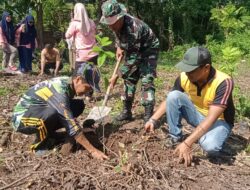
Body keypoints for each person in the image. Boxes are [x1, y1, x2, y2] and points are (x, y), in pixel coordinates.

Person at [144, 47, 235, 166]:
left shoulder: (223, 82)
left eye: (191, 70)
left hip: (219, 121)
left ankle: (216, 138)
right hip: (198, 116)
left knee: (209, 146)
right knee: (173, 95)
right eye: (186, 69)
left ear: (206, 68)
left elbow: (212, 118)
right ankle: (175, 136)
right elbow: (169, 100)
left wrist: (187, 143)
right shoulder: (185, 77)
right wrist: (153, 120)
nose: (187, 73)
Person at [11, 64, 107, 160]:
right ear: (78, 79)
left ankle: (49, 134)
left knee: (78, 106)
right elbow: (70, 123)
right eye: (88, 87)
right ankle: (38, 147)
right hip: (22, 119)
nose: (88, 91)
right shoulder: (60, 90)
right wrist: (93, 151)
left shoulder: (68, 83)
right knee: (52, 113)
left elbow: (66, 113)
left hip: (39, 111)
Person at [100, 0, 160, 123]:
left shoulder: (134, 29)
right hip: (134, 50)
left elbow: (134, 59)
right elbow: (118, 36)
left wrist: (117, 75)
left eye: (113, 23)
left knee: (146, 79)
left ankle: (148, 115)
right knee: (129, 79)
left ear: (121, 17)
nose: (110, 26)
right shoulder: (116, 25)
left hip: (148, 50)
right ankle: (126, 112)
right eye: (108, 23)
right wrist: (119, 47)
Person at [65, 3, 100, 92]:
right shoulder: (91, 22)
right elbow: (95, 33)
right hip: (94, 52)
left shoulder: (75, 24)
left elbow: (67, 35)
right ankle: (90, 94)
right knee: (92, 74)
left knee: (79, 75)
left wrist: (71, 24)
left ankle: (78, 92)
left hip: (81, 55)